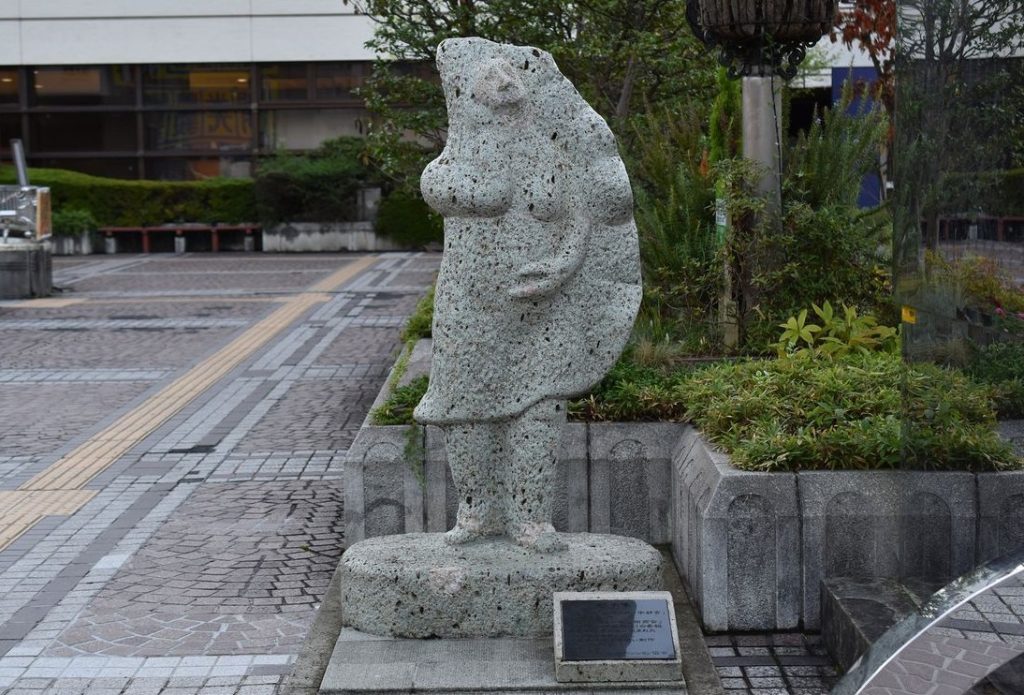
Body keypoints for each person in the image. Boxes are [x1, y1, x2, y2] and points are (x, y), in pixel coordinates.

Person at [415, 37, 641, 552]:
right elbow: (440, 187)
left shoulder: (551, 152)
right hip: (470, 305)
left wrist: (562, 267)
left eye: (512, 96)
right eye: (490, 97)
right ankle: (475, 510)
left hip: (545, 307)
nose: (504, 105)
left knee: (540, 407)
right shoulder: (452, 163)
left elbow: (581, 219)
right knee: (464, 408)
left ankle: (531, 518)